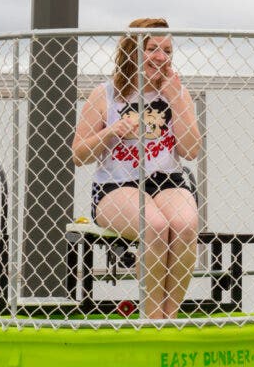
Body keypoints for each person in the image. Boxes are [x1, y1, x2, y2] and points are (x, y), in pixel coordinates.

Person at [72, 18, 201, 319]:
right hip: (116, 185)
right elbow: (79, 154)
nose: (161, 56)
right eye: (153, 48)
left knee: (184, 225)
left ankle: (168, 318)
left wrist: (177, 100)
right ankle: (153, 318)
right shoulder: (105, 94)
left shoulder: (177, 93)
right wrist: (112, 131)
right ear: (133, 51)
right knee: (154, 226)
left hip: (166, 179)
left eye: (167, 49)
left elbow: (191, 150)